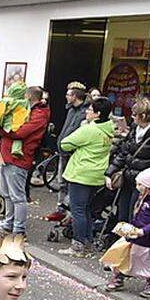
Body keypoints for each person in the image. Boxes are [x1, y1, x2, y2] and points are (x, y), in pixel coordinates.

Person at [59, 97, 115, 257]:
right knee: (87, 209)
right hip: (96, 174)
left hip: (81, 173)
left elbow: (65, 143)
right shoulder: (109, 129)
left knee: (77, 210)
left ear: (97, 114)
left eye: (90, 110)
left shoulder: (89, 130)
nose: (86, 112)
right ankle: (88, 243)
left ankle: (78, 245)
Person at [106, 97, 150, 224]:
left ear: (142, 116)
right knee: (123, 215)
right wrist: (109, 173)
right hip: (128, 179)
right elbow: (124, 152)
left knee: (135, 218)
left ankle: (131, 243)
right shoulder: (134, 129)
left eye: (134, 115)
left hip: (144, 185)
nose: (132, 117)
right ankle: (121, 242)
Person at [0, 85, 49, 237]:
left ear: (28, 97)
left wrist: (1, 129)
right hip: (6, 156)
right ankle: (9, 222)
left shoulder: (39, 113)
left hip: (19, 158)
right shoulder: (25, 110)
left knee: (17, 196)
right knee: (6, 193)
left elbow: (19, 132)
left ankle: (19, 229)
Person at [107, 168, 150, 297]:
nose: (137, 187)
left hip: (146, 237)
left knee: (147, 259)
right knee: (123, 254)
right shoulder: (144, 197)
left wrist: (143, 230)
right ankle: (119, 276)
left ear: (147, 186)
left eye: (140, 184)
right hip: (135, 234)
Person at [46, 82, 90, 221]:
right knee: (62, 182)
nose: (65, 97)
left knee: (71, 183)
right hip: (63, 152)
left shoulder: (85, 113)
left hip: (73, 154)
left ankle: (69, 212)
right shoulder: (71, 109)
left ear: (75, 96)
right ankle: (60, 209)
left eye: (68, 94)